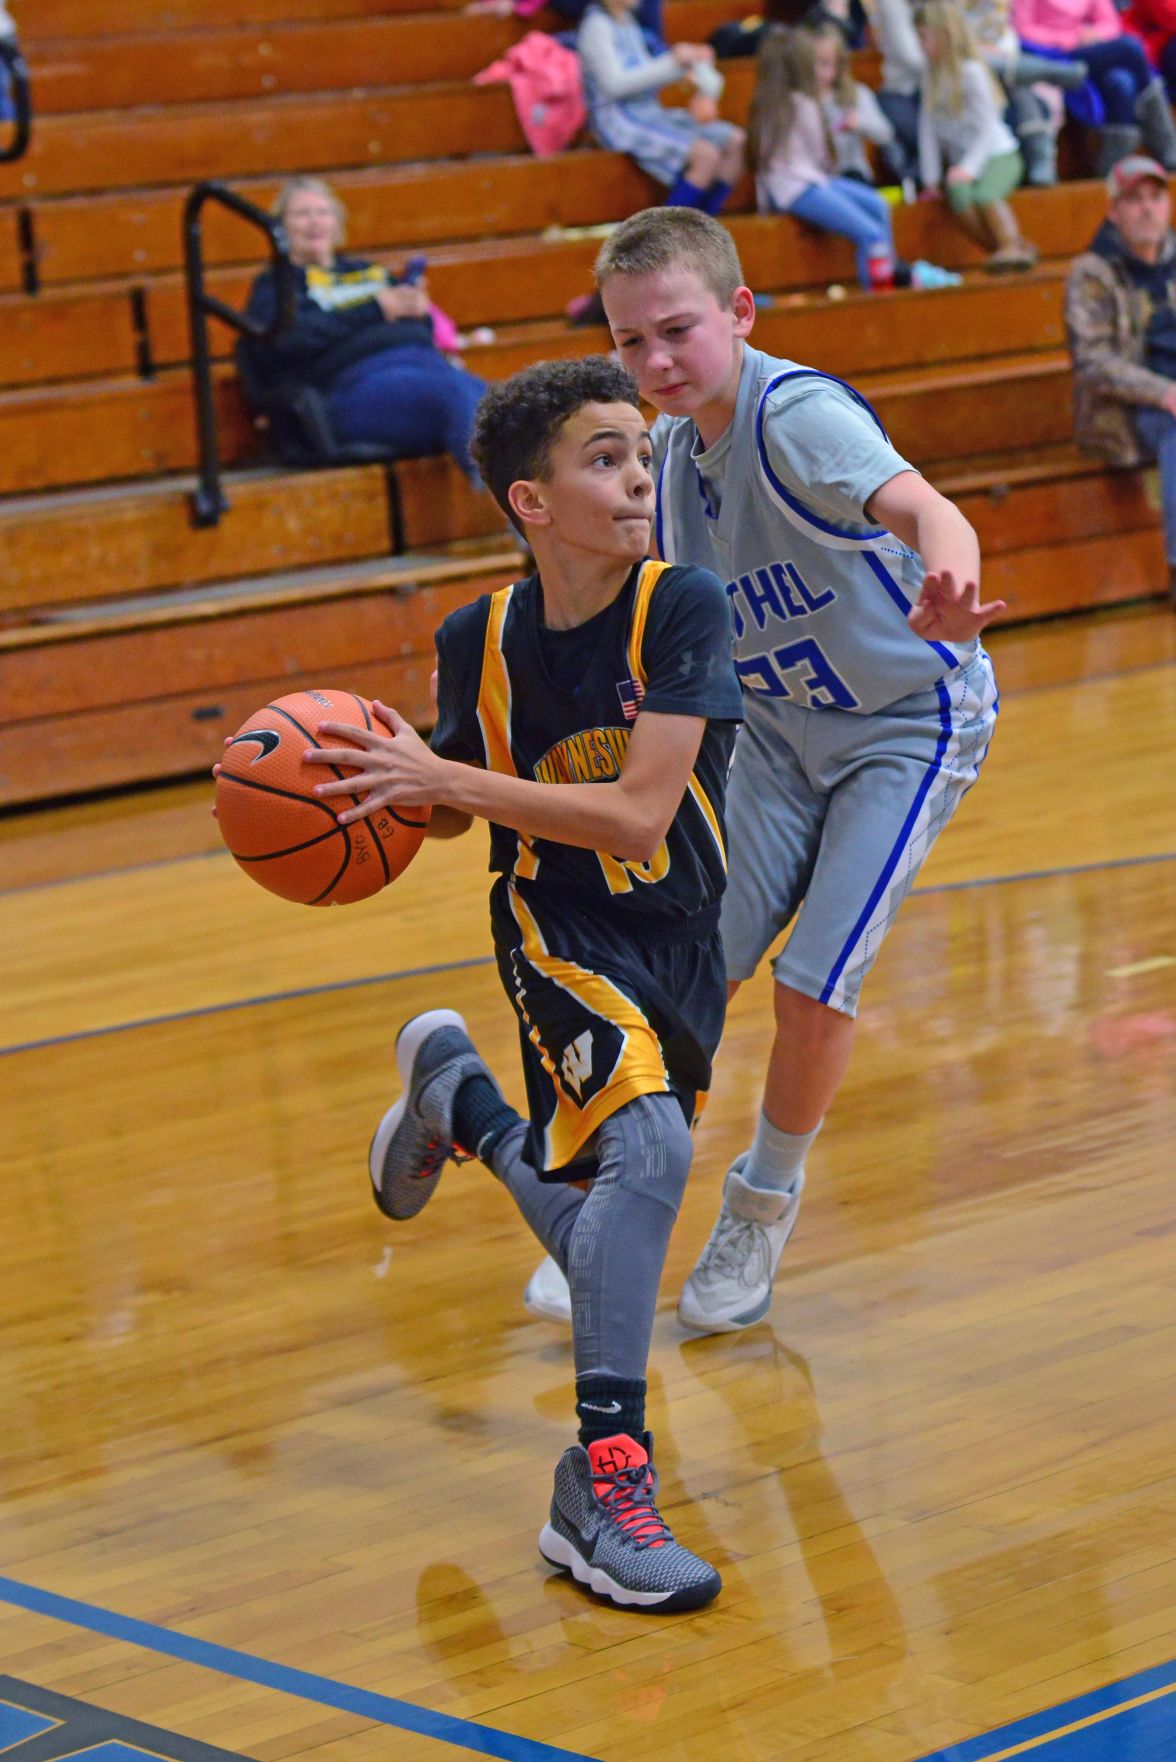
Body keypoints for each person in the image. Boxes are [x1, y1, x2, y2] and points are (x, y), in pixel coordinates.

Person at [303, 356, 744, 1607]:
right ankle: (604, 1487)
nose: (636, 477)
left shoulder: (684, 606)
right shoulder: (477, 638)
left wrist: (449, 785)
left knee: (616, 1213)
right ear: (531, 501)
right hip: (553, 928)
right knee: (650, 1159)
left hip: (679, 938)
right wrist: (390, 775)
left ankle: (462, 1105)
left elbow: (642, 814)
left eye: (641, 453)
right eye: (604, 457)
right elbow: (454, 809)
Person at [545, 204, 997, 1340]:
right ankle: (620, 1205)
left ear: (741, 313)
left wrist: (948, 579)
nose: (654, 361)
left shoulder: (796, 419)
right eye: (630, 342)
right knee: (693, 966)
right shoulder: (661, 454)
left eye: (677, 332)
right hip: (781, 735)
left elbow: (924, 506)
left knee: (813, 982)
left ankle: (762, 1198)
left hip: (906, 724)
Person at [240, 177, 486, 480]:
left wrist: (416, 309)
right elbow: (288, 340)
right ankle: (515, 511)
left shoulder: (368, 272)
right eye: (302, 214)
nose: (315, 222)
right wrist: (376, 309)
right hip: (347, 390)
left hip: (422, 366)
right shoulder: (276, 284)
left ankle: (524, 513)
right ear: (280, 228)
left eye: (323, 212)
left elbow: (421, 331)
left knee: (500, 401)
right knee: (452, 396)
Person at [1065, 153, 1176, 605]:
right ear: (1114, 211)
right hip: (1127, 410)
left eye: (1156, 197)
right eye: (1135, 201)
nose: (1147, 209)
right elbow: (1092, 362)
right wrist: (1164, 392)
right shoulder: (1093, 272)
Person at [750, 24, 903, 290]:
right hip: (803, 186)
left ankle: (893, 271)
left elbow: (761, 159)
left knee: (877, 204)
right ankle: (881, 293)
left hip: (803, 182)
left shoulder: (764, 103)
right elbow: (823, 158)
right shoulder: (803, 104)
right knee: (871, 234)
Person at [576, 0, 746, 214]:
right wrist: (673, 62)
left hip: (649, 112)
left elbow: (648, 73)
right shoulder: (596, 25)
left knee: (736, 141)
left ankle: (704, 229)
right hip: (619, 119)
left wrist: (689, 70)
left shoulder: (629, 21)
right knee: (706, 156)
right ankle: (663, 240)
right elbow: (614, 85)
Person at [915, 0, 1039, 270]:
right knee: (957, 194)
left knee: (984, 195)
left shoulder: (971, 72)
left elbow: (987, 126)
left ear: (945, 34)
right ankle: (1006, 249)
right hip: (964, 165)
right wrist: (931, 179)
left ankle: (1011, 246)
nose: (922, 45)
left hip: (998, 154)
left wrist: (969, 167)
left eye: (926, 37)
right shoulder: (930, 76)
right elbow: (928, 131)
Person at [1013, 0, 1176, 172]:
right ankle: (1164, 142)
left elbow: (1110, 22)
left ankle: (1110, 167)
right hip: (1051, 58)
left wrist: (1095, 34)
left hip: (1090, 51)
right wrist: (1069, 39)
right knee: (1130, 47)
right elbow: (1022, 29)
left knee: (1121, 81)